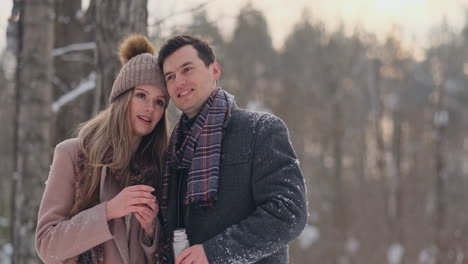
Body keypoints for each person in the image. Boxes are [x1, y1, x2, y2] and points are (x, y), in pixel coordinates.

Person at [156, 35, 307, 264]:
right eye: (170, 76)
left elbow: (289, 213)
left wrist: (214, 253)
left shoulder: (260, 131)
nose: (179, 82)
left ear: (214, 70)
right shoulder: (173, 151)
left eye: (187, 69)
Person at [35, 34, 169, 264]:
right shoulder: (73, 155)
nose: (150, 108)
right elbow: (47, 245)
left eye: (159, 102)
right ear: (122, 97)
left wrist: (151, 231)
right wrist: (108, 210)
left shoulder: (160, 166)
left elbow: (169, 252)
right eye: (141, 95)